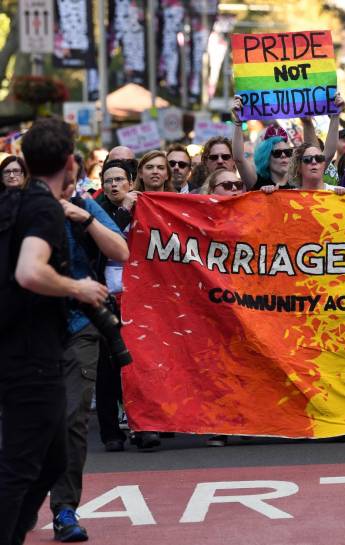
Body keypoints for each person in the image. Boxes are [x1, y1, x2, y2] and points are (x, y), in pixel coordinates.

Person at [0, 117, 108, 545]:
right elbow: (29, 271)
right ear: (69, 163)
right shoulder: (42, 206)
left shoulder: (13, 202)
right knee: (25, 463)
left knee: (53, 455)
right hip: (31, 355)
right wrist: (76, 287)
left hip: (20, 347)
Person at [48, 169, 129, 542]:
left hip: (80, 326)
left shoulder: (86, 204)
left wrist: (88, 218)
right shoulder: (18, 207)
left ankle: (65, 509)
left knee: (72, 418)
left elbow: (121, 251)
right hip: (28, 330)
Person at [93, 160, 138, 453]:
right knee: (107, 366)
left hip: (141, 296)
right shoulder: (94, 211)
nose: (113, 185)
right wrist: (123, 212)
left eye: (119, 179)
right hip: (106, 297)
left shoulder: (146, 206)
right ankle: (110, 432)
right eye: (108, 180)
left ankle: (142, 426)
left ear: (130, 183)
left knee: (139, 364)